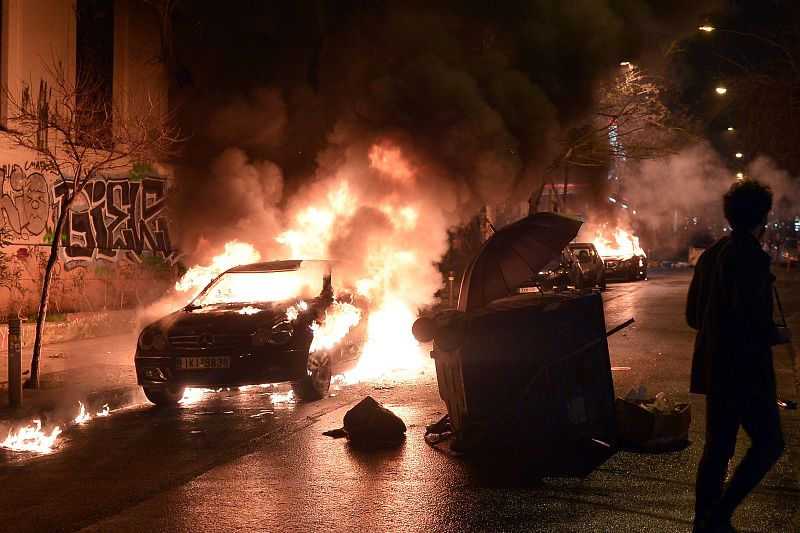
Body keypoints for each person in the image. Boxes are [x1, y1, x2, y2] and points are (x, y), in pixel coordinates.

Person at [686, 179, 792, 532]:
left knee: (718, 446)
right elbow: (750, 322)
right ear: (763, 217)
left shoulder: (713, 254)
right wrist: (776, 333)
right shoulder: (751, 258)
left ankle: (705, 518)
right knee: (769, 442)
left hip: (715, 368)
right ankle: (719, 515)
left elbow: (692, 316)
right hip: (745, 371)